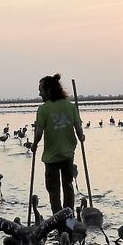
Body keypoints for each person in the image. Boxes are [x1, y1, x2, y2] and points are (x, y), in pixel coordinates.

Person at [31, 74, 85, 214]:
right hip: (67, 153)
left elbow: (38, 132)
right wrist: (81, 137)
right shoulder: (70, 107)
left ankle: (58, 218)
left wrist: (34, 144)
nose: (39, 93)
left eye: (41, 90)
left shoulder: (43, 109)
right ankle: (68, 214)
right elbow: (78, 129)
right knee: (68, 185)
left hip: (51, 156)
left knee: (53, 189)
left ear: (49, 90)